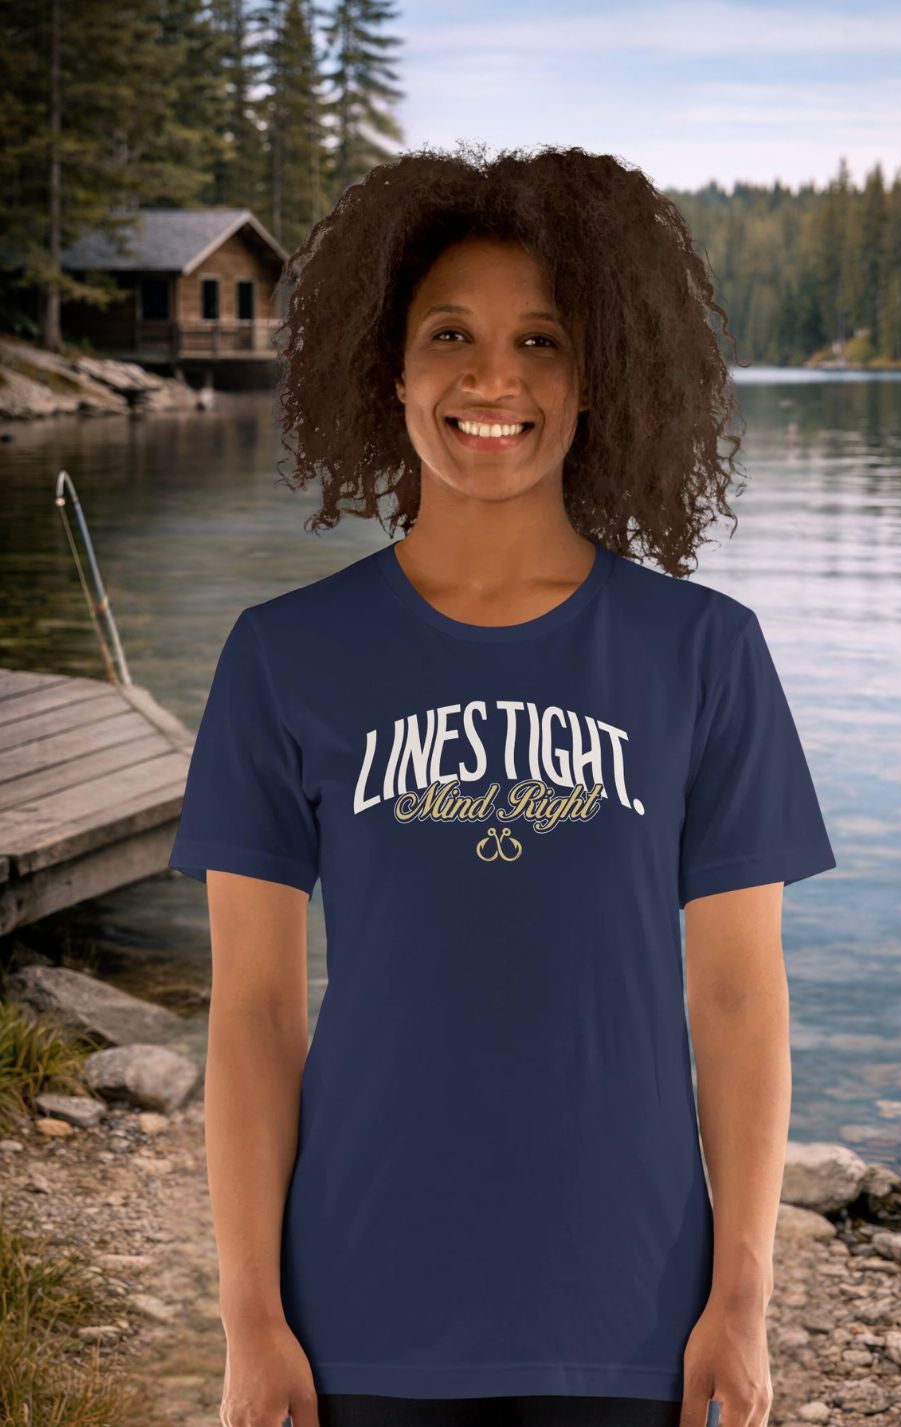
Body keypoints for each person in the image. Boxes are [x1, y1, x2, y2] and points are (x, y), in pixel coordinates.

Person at [168, 141, 837, 1427]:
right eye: (450, 335)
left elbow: (741, 998)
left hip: (631, 1315)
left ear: (601, 378)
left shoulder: (704, 656)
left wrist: (739, 1303)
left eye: (542, 340)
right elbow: (252, 1013)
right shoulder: (284, 656)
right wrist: (252, 1318)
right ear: (388, 368)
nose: (493, 377)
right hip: (355, 1311)